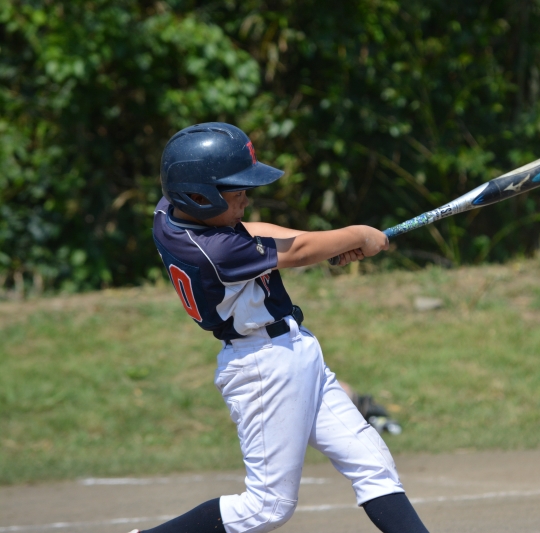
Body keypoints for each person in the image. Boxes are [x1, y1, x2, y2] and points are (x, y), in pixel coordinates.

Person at [128, 122, 429, 533]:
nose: (246, 198)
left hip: (292, 352)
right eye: (236, 192)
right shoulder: (214, 251)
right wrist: (358, 234)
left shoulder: (173, 214)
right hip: (264, 367)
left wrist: (334, 242)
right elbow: (297, 251)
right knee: (267, 507)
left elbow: (256, 235)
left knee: (373, 464)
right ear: (198, 196)